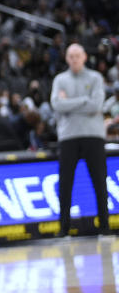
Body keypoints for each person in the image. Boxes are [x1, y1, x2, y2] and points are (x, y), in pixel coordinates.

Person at [51, 42, 109, 236]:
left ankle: (104, 226)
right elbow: (57, 105)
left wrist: (70, 103)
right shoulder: (60, 79)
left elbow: (96, 105)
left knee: (100, 181)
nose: (74, 59)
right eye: (70, 56)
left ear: (84, 57)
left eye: (77, 55)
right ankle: (64, 228)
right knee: (65, 183)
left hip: (93, 135)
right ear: (66, 58)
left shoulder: (95, 77)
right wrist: (84, 99)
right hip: (68, 136)